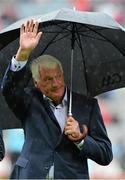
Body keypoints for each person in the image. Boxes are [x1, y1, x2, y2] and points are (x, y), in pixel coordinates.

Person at [1, 19, 113, 179]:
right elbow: (9, 89)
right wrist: (23, 53)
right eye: (47, 79)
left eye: (58, 76)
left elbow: (105, 154)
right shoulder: (28, 100)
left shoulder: (88, 105)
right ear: (36, 83)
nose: (55, 83)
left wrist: (81, 139)